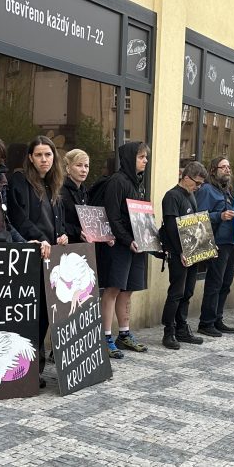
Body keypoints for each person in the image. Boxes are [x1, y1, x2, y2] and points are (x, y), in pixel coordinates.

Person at [7, 135, 68, 386]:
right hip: (30, 255)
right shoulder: (20, 180)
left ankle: (37, 370)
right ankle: (26, 370)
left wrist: (61, 234)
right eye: (39, 155)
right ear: (30, 158)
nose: (44, 159)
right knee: (30, 315)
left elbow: (57, 219)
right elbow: (19, 218)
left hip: (51, 257)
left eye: (48, 155)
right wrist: (41, 239)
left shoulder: (54, 184)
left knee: (44, 314)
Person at [96, 141, 150, 359]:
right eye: (141, 157)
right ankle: (105, 337)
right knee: (113, 289)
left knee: (128, 290)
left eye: (146, 157)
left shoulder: (139, 183)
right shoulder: (117, 181)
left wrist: (148, 238)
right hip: (119, 246)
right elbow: (113, 216)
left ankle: (124, 334)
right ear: (129, 158)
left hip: (136, 245)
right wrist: (127, 240)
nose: (145, 161)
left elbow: (142, 216)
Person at [160, 161, 208, 349]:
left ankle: (181, 327)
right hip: (178, 252)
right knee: (177, 292)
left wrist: (205, 245)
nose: (198, 187)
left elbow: (196, 224)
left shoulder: (191, 196)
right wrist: (181, 251)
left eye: (201, 184)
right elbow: (172, 227)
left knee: (188, 291)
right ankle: (168, 331)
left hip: (193, 250)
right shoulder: (172, 196)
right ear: (186, 177)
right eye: (197, 183)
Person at [196, 157, 234, 337]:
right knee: (214, 283)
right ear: (214, 170)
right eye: (223, 167)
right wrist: (220, 216)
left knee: (226, 282)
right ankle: (206, 322)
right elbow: (200, 216)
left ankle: (217, 318)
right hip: (216, 242)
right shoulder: (207, 190)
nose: (227, 170)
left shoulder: (227, 191)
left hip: (230, 241)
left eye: (229, 166)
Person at [61, 149, 90, 243]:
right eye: (79, 165)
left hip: (83, 246)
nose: (84, 170)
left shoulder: (84, 191)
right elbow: (56, 221)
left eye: (86, 166)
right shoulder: (60, 191)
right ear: (68, 168)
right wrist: (77, 232)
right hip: (66, 245)